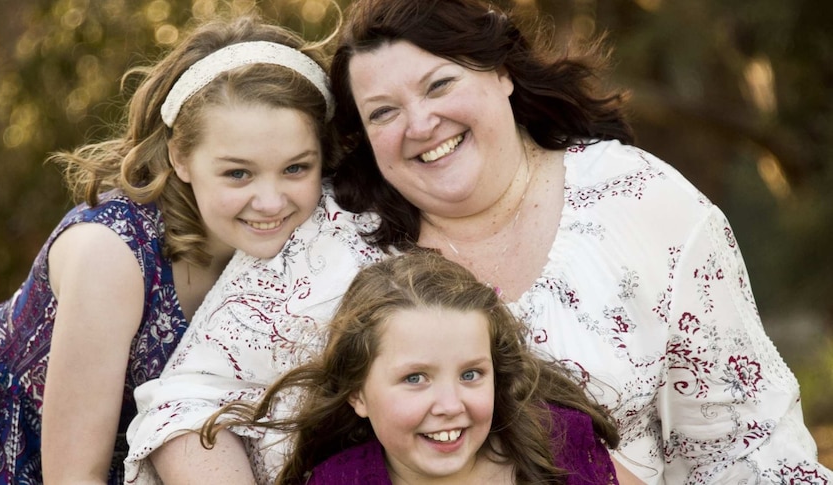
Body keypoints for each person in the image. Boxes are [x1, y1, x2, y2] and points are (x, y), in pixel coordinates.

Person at [127, 0, 833, 484]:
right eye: (383, 112)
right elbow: (186, 405)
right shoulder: (332, 233)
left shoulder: (645, 207)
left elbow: (748, 444)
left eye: (440, 84)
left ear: (500, 74)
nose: (421, 123)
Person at [0, 13, 342, 484]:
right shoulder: (111, 254)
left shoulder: (322, 232)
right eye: (237, 173)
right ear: (180, 157)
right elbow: (72, 477)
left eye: (295, 168)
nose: (270, 202)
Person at [202, 250, 646, 485]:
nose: (450, 405)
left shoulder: (560, 448)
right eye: (416, 379)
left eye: (471, 374)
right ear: (357, 393)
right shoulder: (340, 481)